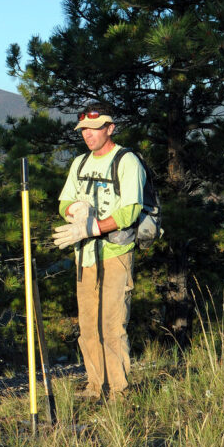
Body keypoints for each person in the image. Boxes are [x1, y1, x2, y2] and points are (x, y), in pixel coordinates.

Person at [52, 104, 147, 401]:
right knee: (89, 326)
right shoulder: (80, 163)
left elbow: (130, 210)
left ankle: (118, 391)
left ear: (110, 128)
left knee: (111, 325)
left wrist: (92, 228)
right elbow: (63, 201)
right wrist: (75, 210)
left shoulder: (127, 161)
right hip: (85, 258)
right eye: (83, 131)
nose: (87, 135)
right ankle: (96, 386)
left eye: (94, 129)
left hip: (115, 254)